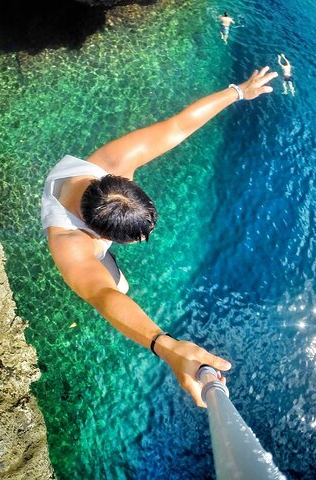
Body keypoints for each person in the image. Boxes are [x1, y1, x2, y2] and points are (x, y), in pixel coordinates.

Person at [41, 67, 278, 408]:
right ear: (102, 235)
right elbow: (102, 295)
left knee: (119, 286)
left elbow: (179, 125)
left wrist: (239, 91)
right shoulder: (71, 242)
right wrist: (165, 346)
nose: (146, 237)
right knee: (119, 287)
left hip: (84, 199)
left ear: (125, 183)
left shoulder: (114, 162)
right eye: (138, 237)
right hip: (77, 228)